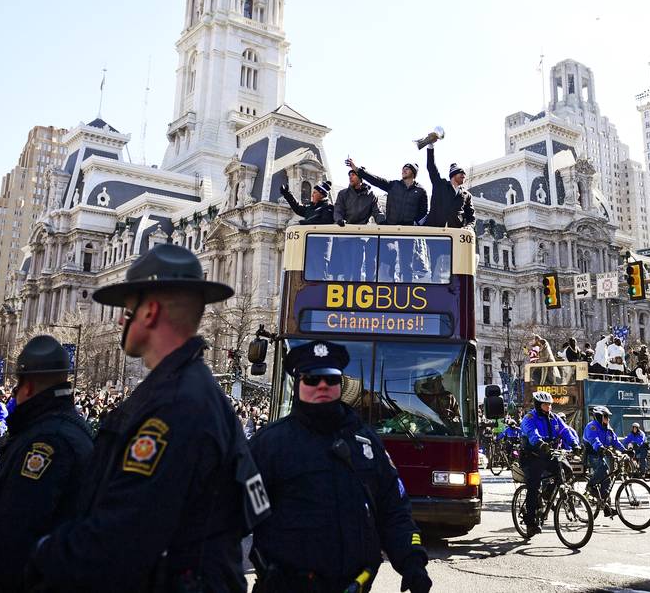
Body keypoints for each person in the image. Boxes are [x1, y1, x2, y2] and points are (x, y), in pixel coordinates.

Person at [27, 244, 268, 591]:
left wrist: (45, 553)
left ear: (150, 312)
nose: (121, 320)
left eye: (126, 310)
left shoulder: (175, 404)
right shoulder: (189, 389)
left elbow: (125, 532)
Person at [248, 340, 431, 593]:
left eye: (331, 379)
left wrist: (412, 562)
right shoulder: (268, 445)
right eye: (312, 378)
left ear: (340, 385)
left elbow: (393, 509)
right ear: (298, 384)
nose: (322, 385)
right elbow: (230, 517)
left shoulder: (365, 443)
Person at [0, 335, 94, 592]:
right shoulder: (61, 426)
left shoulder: (47, 439)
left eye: (16, 386)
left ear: (29, 386)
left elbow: (17, 527)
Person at [519, 391, 579, 535]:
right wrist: (540, 443)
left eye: (550, 405)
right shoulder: (529, 418)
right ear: (538, 405)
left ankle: (546, 496)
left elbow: (565, 431)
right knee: (534, 487)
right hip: (531, 457)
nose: (549, 407)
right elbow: (532, 433)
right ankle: (530, 521)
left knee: (565, 471)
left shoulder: (555, 418)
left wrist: (575, 445)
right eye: (546, 405)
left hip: (547, 455)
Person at [347, 157, 428, 226]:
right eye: (403, 169)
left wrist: (415, 224)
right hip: (391, 231)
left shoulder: (421, 191)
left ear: (413, 172)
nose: (403, 170)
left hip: (409, 233)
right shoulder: (393, 185)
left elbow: (423, 213)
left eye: (407, 169)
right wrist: (357, 169)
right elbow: (375, 180)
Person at [583, 405, 624, 512]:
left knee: (607, 479)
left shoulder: (608, 429)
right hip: (591, 455)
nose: (608, 419)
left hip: (601, 455)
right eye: (606, 416)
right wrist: (601, 448)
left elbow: (615, 441)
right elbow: (594, 440)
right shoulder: (591, 427)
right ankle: (590, 486)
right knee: (604, 468)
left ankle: (605, 507)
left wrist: (625, 450)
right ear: (599, 416)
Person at [421, 145, 474, 228]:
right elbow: (431, 166)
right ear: (453, 175)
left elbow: (471, 217)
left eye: (464, 174)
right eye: (461, 173)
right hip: (434, 230)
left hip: (454, 234)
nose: (464, 175)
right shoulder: (440, 184)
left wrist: (469, 226)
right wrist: (430, 147)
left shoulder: (467, 195)